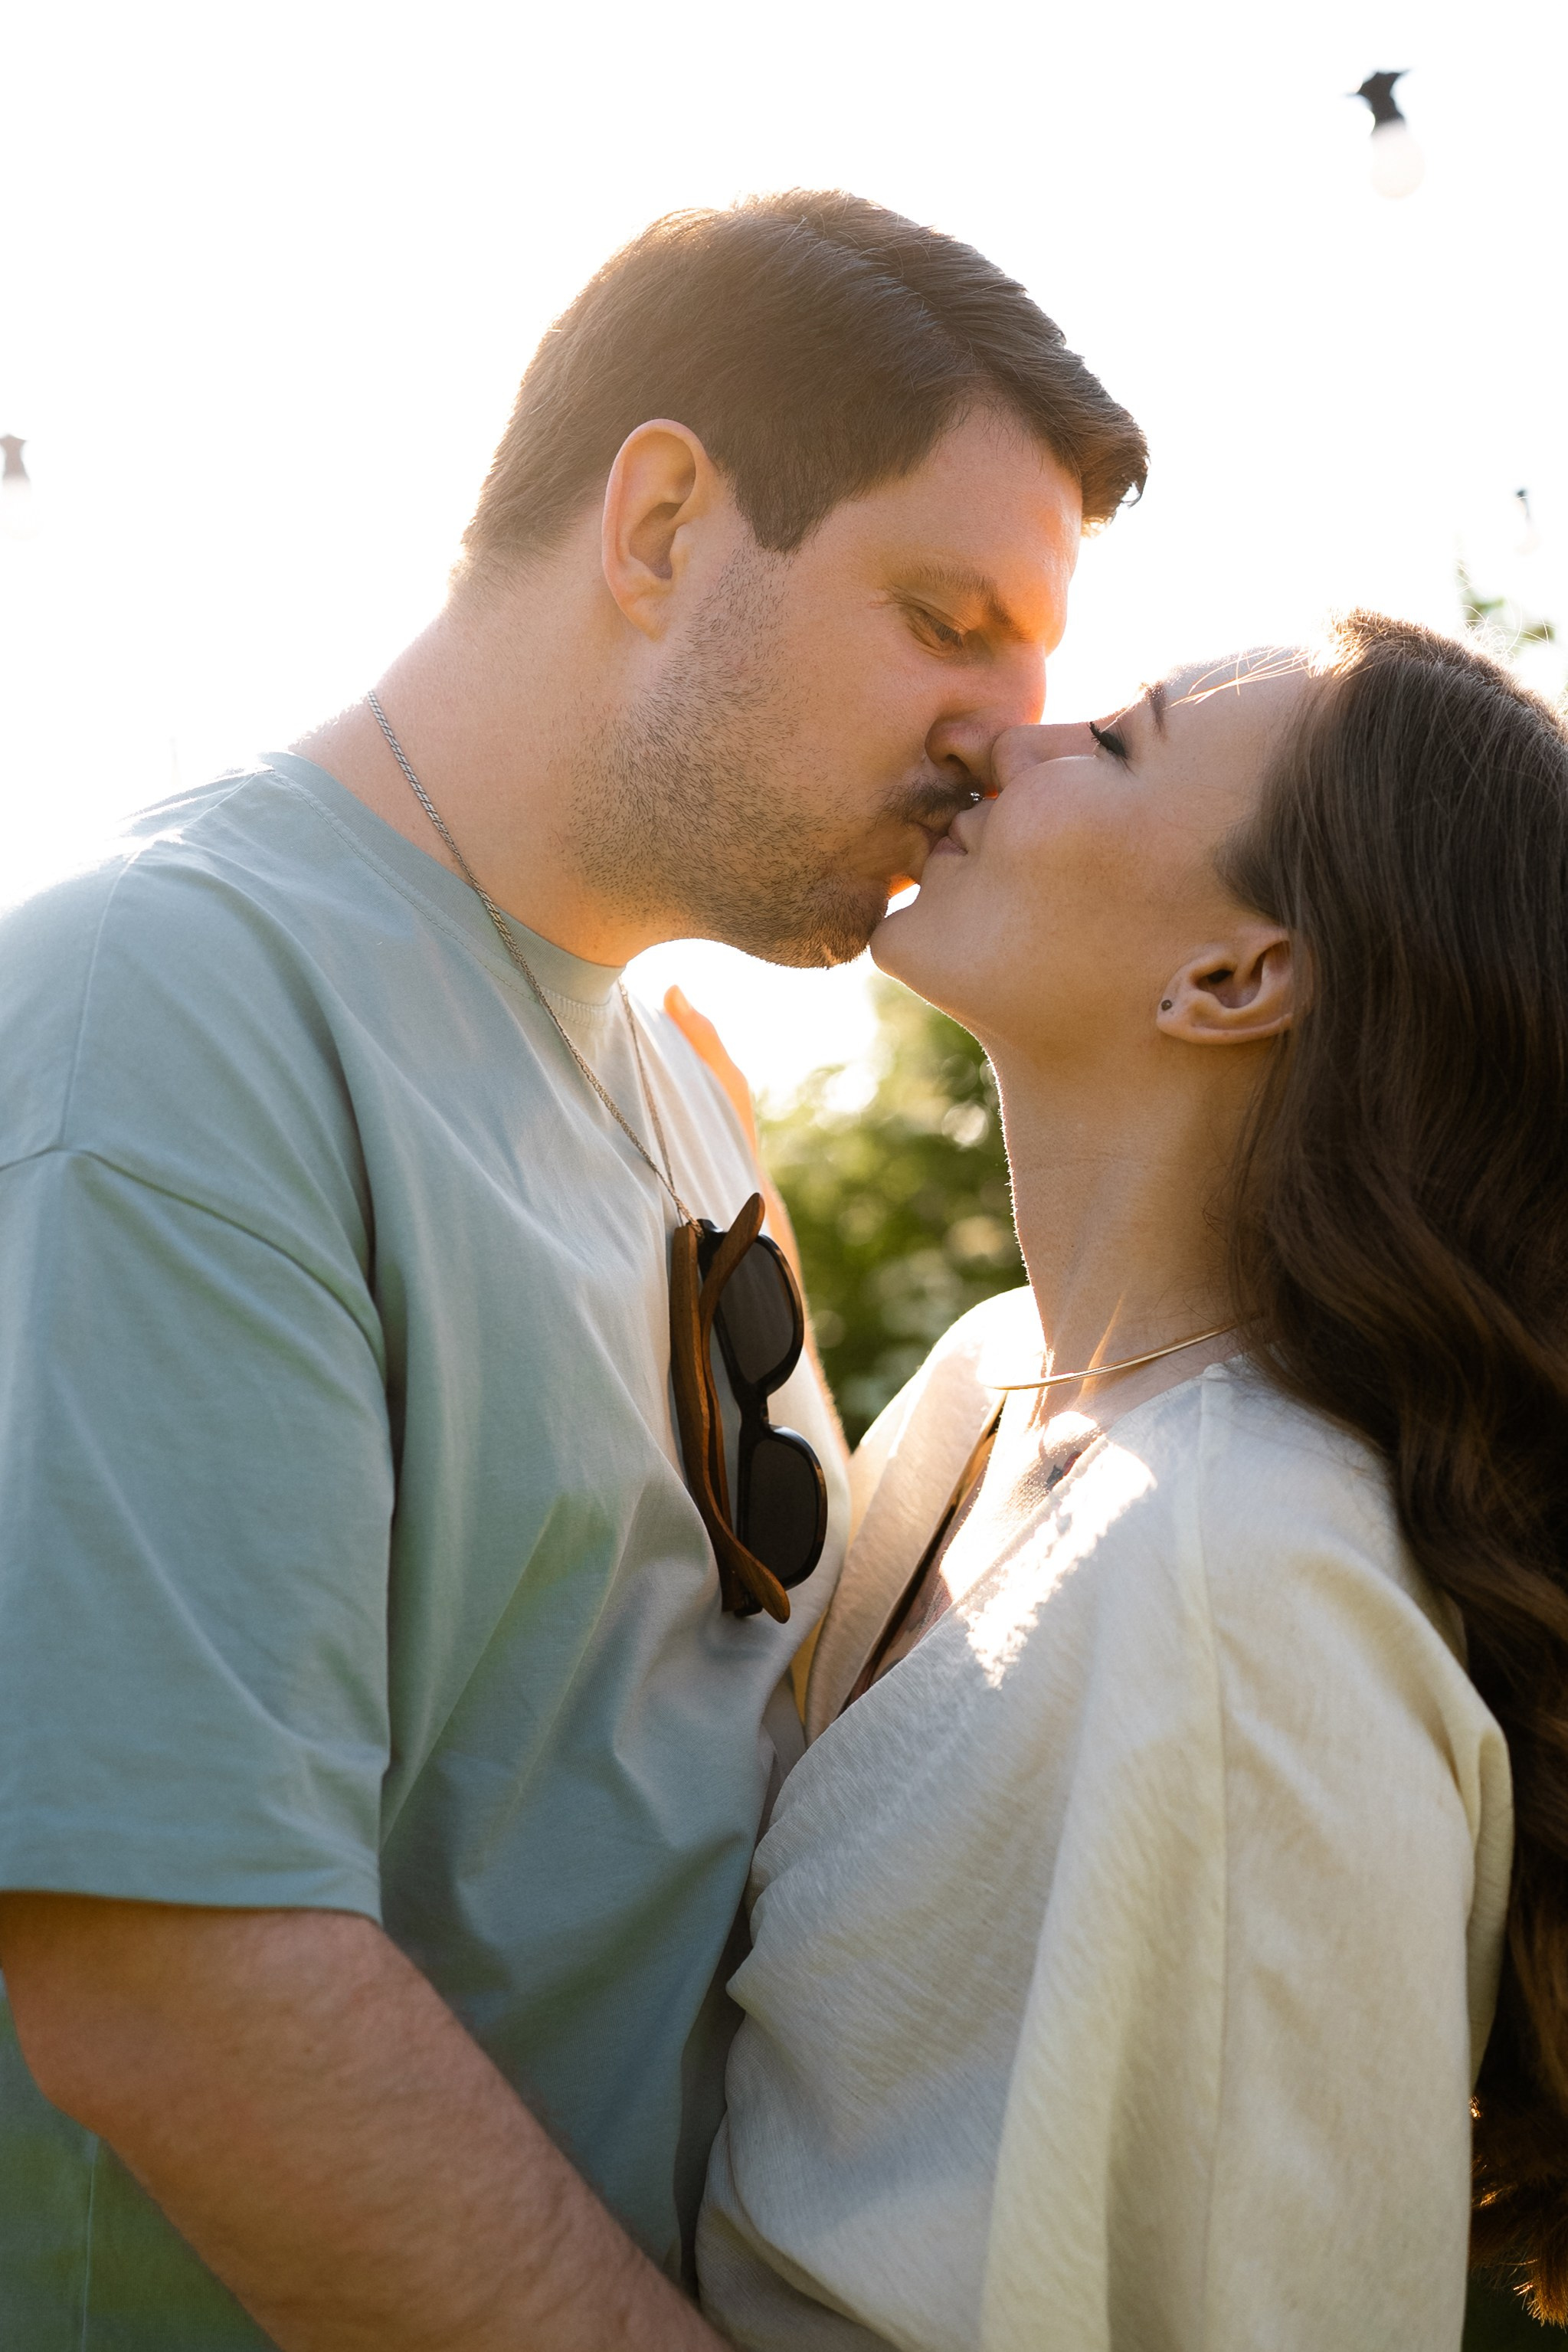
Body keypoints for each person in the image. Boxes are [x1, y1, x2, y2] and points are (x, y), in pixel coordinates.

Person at [0, 194, 1145, 2350]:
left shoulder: (690, 1081)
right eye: (943, 612)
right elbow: (168, 1976)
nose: (1001, 738)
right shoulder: (167, 1012)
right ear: (660, 523)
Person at [699, 614, 1568, 2349]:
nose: (1009, 737)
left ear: (1234, 978)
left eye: (1114, 740)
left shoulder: (1249, 1586)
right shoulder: (986, 1386)